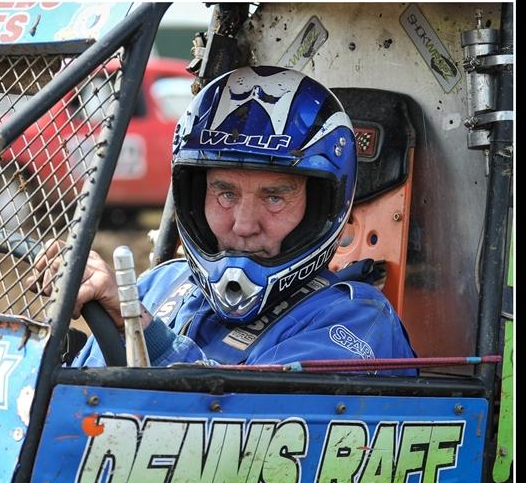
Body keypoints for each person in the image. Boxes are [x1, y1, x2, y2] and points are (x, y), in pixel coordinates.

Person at [30, 65, 416, 373]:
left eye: (275, 196)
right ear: (196, 197)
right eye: (226, 193)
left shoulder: (355, 322)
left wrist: (141, 328)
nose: (244, 224)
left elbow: (243, 440)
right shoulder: (161, 282)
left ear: (320, 209)